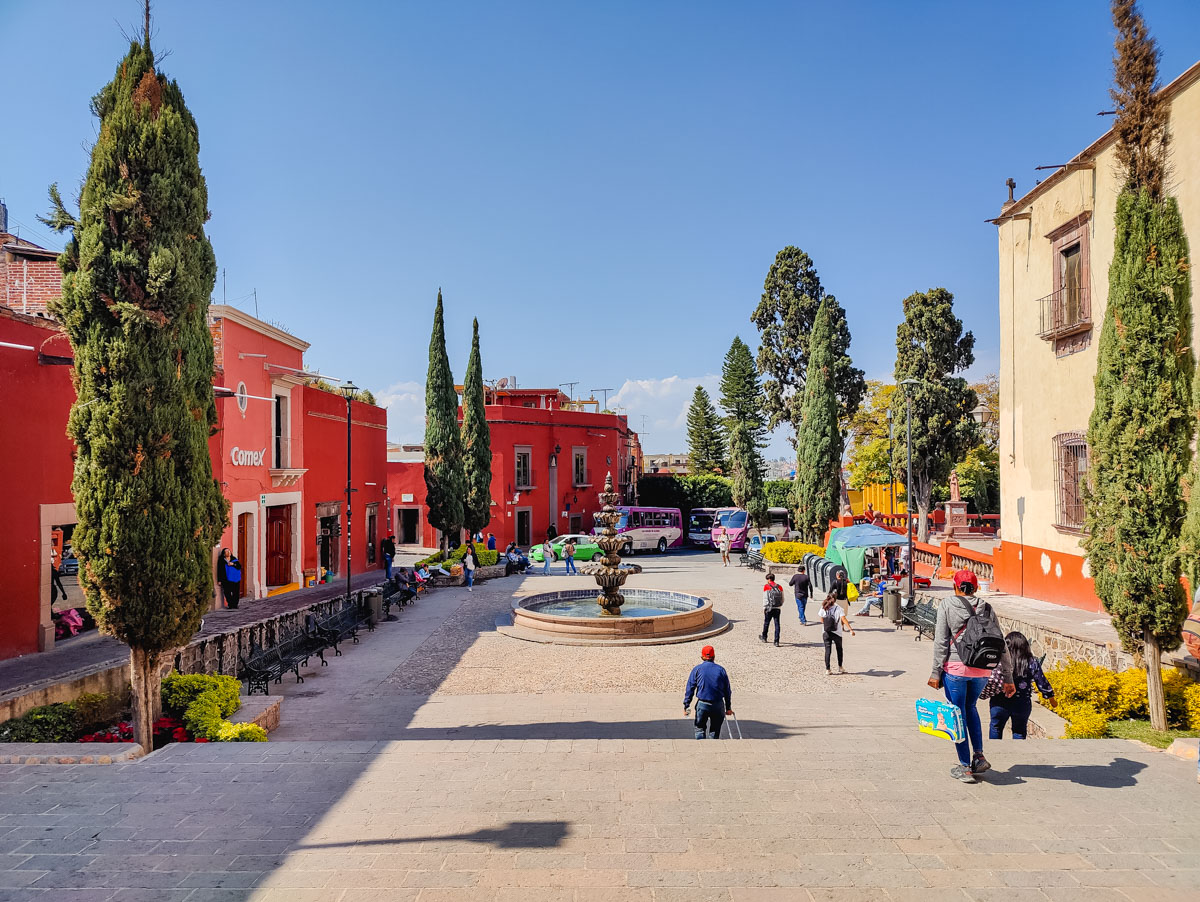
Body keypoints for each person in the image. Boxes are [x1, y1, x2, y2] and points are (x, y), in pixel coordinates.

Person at [928, 577, 1014, 783]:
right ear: (975, 588)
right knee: (971, 708)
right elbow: (1001, 643)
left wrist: (935, 672)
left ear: (955, 587)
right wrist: (1008, 677)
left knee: (957, 715)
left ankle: (965, 766)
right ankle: (979, 756)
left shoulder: (948, 604)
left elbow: (941, 641)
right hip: (983, 670)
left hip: (956, 670)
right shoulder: (987, 607)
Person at [988, 631, 1056, 740]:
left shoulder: (999, 660)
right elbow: (1042, 682)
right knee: (1019, 731)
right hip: (1022, 702)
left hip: (1000, 700)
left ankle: (996, 753)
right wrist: (1051, 698)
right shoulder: (1031, 662)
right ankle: (1018, 755)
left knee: (996, 727)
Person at [683, 645, 733, 739]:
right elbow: (727, 690)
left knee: (699, 728)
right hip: (718, 704)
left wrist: (687, 705)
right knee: (715, 730)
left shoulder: (697, 669)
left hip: (702, 704)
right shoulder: (721, 670)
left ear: (702, 657)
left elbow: (690, 688)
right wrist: (728, 707)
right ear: (714, 656)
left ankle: (701, 747)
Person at [820, 592, 854, 675]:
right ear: (835, 600)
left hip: (826, 631)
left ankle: (828, 669)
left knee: (828, 650)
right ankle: (840, 667)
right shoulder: (839, 608)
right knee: (839, 649)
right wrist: (850, 629)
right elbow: (843, 619)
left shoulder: (824, 607)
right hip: (837, 632)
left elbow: (821, 620)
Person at [761, 572, 784, 646]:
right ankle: (776, 641)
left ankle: (764, 637)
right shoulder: (779, 587)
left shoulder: (767, 586)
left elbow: (765, 598)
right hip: (777, 608)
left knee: (766, 623)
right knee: (777, 624)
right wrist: (780, 605)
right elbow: (783, 598)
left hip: (769, 607)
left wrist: (764, 607)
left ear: (768, 579)